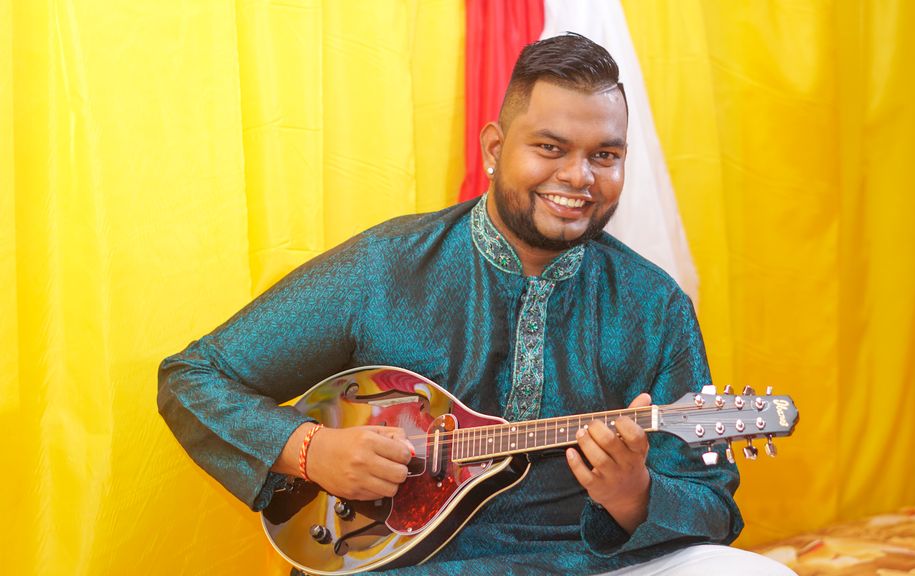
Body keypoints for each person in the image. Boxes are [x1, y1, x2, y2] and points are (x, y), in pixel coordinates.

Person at [158, 33, 794, 575]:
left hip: (587, 562)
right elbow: (193, 378)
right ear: (494, 149)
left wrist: (635, 495)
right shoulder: (386, 266)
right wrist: (310, 449)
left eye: (605, 155)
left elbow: (713, 504)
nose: (579, 177)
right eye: (550, 148)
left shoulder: (653, 304)